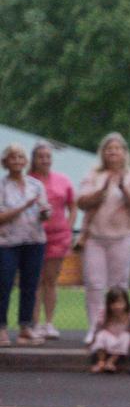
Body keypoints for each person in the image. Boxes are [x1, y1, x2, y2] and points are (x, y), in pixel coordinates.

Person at [77, 132, 130, 342]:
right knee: (94, 284)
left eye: (117, 149)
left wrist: (123, 188)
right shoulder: (94, 175)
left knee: (119, 284)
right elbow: (81, 202)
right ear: (103, 153)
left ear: (124, 152)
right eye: (109, 149)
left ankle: (119, 328)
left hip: (124, 236)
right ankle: (95, 328)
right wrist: (102, 190)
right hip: (96, 238)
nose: (113, 152)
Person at [0, 144, 51, 347]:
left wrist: (45, 212)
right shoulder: (2, 186)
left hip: (34, 240)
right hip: (8, 243)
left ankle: (25, 327)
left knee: (30, 286)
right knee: (4, 285)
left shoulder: (36, 185)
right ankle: (1, 328)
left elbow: (44, 214)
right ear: (6, 161)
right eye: (13, 157)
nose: (17, 161)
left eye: (21, 157)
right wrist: (24, 206)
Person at [29, 141, 75, 339]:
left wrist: (69, 228)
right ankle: (34, 322)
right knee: (34, 281)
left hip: (58, 237)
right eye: (41, 156)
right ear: (34, 159)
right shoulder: (28, 180)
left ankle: (48, 323)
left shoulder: (62, 180)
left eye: (48, 156)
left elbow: (73, 205)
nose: (45, 160)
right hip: (33, 237)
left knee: (51, 280)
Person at [88, 286, 130, 373]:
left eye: (120, 303)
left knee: (126, 336)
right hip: (109, 338)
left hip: (121, 339)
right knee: (101, 335)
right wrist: (93, 340)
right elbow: (98, 329)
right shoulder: (105, 315)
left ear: (126, 303)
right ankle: (101, 362)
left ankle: (111, 362)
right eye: (113, 303)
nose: (117, 306)